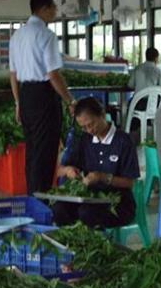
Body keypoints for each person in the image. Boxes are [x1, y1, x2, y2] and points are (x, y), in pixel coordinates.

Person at [9, 0, 76, 194]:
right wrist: (70, 101)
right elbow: (53, 75)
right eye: (54, 7)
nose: (55, 12)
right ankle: (43, 200)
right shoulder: (46, 35)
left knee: (32, 151)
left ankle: (33, 197)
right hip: (43, 96)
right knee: (45, 152)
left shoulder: (17, 36)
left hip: (26, 95)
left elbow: (12, 73)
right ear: (44, 9)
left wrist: (18, 103)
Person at [53, 97, 140, 229]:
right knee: (59, 208)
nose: (89, 130)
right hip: (90, 198)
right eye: (84, 127)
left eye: (91, 124)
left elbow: (129, 182)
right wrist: (68, 170)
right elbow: (59, 170)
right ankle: (72, 246)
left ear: (102, 115)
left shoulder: (123, 141)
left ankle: (95, 246)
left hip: (118, 202)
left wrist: (103, 177)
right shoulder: (85, 140)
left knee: (87, 213)